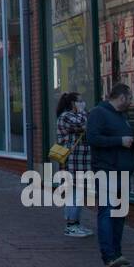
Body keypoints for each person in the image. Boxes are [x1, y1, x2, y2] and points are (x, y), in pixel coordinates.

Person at [86, 83, 134, 267]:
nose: (131, 101)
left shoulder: (122, 116)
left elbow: (125, 139)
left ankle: (117, 254)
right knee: (107, 211)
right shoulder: (99, 113)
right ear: (121, 97)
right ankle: (108, 256)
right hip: (106, 169)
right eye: (130, 98)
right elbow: (92, 138)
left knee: (119, 213)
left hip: (123, 170)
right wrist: (119, 141)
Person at [54, 91, 92, 237]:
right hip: (72, 162)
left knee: (76, 193)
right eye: (79, 101)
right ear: (72, 103)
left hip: (81, 161)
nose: (82, 104)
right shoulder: (66, 117)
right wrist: (84, 112)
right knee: (75, 194)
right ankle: (71, 225)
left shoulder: (75, 115)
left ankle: (75, 223)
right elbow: (84, 125)